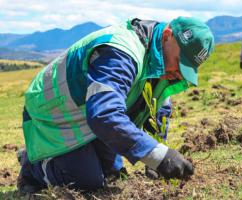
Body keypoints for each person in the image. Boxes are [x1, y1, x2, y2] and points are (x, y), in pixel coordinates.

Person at [17, 17, 215, 194]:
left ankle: (76, 155)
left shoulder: (160, 61)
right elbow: (104, 114)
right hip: (53, 113)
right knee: (85, 182)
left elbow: (158, 105)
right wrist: (159, 156)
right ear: (167, 36)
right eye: (179, 62)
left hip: (86, 112)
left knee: (113, 173)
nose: (178, 73)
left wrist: (158, 152)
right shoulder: (122, 52)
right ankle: (33, 165)